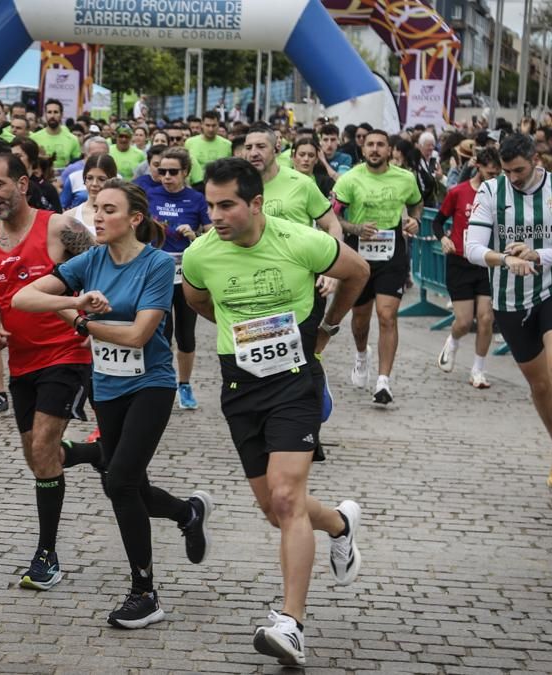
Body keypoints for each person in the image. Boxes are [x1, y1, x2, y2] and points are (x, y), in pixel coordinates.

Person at [182, 157, 370, 666]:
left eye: (227, 205)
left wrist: (327, 327)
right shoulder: (201, 254)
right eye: (210, 205)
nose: (216, 215)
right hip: (240, 388)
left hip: (294, 381)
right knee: (274, 509)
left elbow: (358, 271)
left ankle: (291, 623)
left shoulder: (299, 241)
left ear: (256, 203)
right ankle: (338, 525)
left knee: (288, 498)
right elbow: (198, 300)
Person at [13, 178, 214, 629]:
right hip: (106, 383)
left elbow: (139, 335)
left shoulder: (159, 264)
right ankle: (188, 511)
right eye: (95, 208)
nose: (97, 217)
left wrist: (82, 323)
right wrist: (76, 302)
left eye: (108, 209)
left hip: (151, 384)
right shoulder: (91, 260)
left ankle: (145, 592)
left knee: (119, 481)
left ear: (134, 219)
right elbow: (24, 298)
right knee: (131, 485)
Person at [0, 153, 102, 590]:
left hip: (66, 354)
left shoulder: (59, 227)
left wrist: (92, 324)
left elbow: (103, 267)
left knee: (43, 449)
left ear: (23, 184)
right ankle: (94, 455)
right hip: (21, 360)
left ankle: (47, 553)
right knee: (37, 457)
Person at [465, 133, 552, 489]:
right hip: (509, 300)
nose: (513, 177)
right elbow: (473, 248)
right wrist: (506, 258)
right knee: (540, 384)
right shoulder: (491, 192)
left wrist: (539, 255)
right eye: (507, 171)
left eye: (519, 170)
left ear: (535, 159)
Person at [333, 129, 423, 405]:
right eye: (370, 145)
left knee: (386, 316)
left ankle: (383, 381)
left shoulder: (405, 178)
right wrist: (356, 228)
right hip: (358, 256)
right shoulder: (350, 179)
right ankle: (362, 355)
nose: (374, 149)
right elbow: (333, 217)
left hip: (392, 254)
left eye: (380, 145)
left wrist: (415, 221)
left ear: (389, 150)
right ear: (363, 150)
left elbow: (417, 204)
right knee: (360, 320)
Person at [148, 148, 211, 410]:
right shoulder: (149, 195)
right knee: (162, 332)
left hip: (186, 272)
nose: (166, 176)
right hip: (157, 272)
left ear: (185, 172)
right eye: (162, 171)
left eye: (173, 172)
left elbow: (211, 236)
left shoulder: (196, 199)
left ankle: (184, 385)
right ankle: (160, 384)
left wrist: (193, 235)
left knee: (186, 334)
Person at [433, 146, 501, 388]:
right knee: (464, 322)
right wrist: (444, 238)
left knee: (486, 318)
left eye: (497, 173)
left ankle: (478, 370)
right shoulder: (458, 192)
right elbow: (438, 222)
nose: (494, 177)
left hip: (487, 262)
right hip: (460, 261)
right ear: (478, 167)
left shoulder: (502, 194)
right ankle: (452, 341)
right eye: (490, 172)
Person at [243, 126, 340, 235]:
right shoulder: (237, 186)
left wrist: (330, 251)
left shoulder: (302, 183)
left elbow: (332, 224)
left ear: (275, 149)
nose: (253, 153)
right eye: (248, 147)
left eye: (261, 146)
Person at [63, 153, 117, 233]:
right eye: (90, 178)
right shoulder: (70, 216)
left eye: (101, 179)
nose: (94, 184)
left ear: (112, 180)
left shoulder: (121, 216)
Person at [184, 110, 232, 186]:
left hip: (220, 185)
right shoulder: (189, 142)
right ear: (202, 125)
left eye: (214, 125)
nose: (211, 129)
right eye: (208, 125)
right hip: (196, 186)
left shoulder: (227, 145)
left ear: (218, 125)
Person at [31, 98, 82, 170]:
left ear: (61, 114)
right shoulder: (34, 138)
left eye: (56, 112)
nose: (52, 116)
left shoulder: (73, 139)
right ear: (45, 115)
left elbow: (77, 164)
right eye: (49, 112)